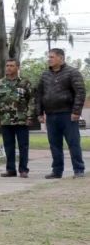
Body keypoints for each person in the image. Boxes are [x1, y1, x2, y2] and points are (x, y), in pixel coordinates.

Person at [36, 49, 86, 179]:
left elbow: (80, 92)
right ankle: (57, 171)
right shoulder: (45, 75)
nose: (49, 59)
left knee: (73, 143)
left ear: (61, 58)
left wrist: (76, 112)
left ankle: (79, 170)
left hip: (67, 114)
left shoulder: (72, 73)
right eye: (48, 57)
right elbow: (39, 94)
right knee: (54, 144)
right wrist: (40, 112)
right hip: (51, 115)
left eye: (52, 57)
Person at [0, 59, 35, 178]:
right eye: (7, 66)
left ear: (17, 68)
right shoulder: (0, 83)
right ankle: (10, 169)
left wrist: (30, 116)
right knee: (8, 146)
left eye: (11, 66)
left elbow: (31, 100)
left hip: (21, 119)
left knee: (23, 145)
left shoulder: (25, 83)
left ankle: (23, 170)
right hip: (5, 120)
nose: (9, 68)